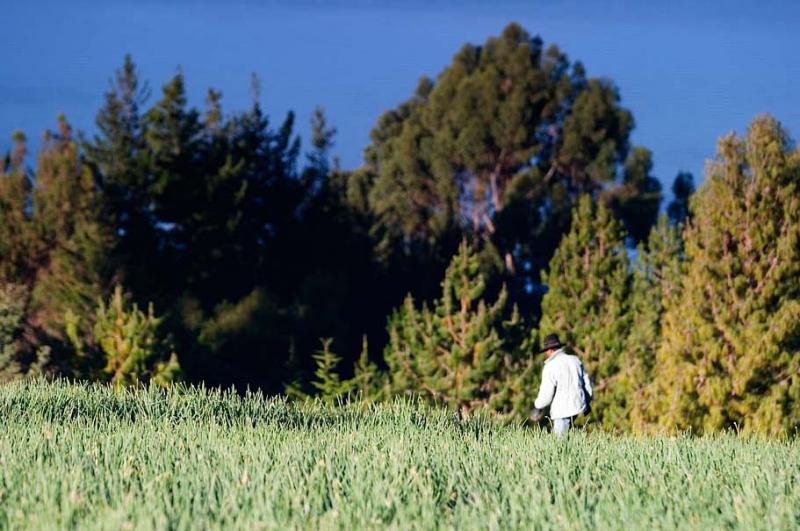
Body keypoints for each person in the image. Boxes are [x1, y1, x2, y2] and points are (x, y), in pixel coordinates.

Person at [530, 333, 593, 436]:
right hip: (578, 406)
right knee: (569, 439)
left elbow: (546, 393)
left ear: (550, 350)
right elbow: (586, 385)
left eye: (546, 351)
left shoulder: (550, 366)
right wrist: (587, 402)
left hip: (563, 410)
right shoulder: (575, 360)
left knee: (560, 445)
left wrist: (537, 407)